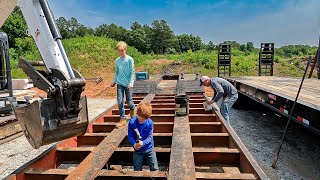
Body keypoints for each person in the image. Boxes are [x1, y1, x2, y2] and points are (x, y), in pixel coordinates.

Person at [128, 102, 159, 171]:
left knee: (155, 168)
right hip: (138, 150)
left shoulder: (150, 122)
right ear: (137, 114)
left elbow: (150, 137)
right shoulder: (132, 122)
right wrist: (134, 144)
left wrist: (143, 143)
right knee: (137, 169)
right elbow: (130, 136)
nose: (143, 121)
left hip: (149, 149)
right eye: (142, 119)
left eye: (145, 119)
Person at [111, 41, 135, 128]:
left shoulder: (129, 59)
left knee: (129, 101)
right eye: (119, 51)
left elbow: (132, 72)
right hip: (120, 83)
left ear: (125, 50)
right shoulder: (117, 61)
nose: (120, 52)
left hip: (128, 84)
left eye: (121, 50)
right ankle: (122, 118)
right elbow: (117, 72)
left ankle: (132, 108)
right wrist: (114, 81)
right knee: (120, 100)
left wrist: (131, 83)